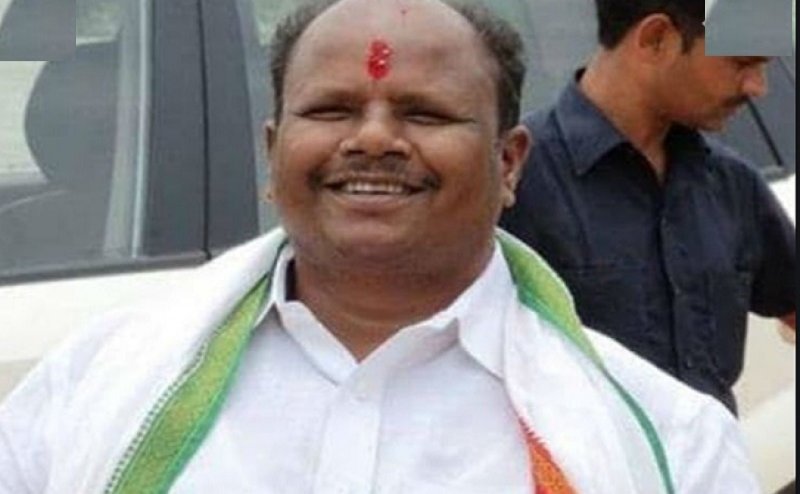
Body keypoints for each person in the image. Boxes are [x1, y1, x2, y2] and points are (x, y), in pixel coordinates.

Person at [0, 0, 759, 492]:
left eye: (424, 114)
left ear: (508, 163)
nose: (371, 139)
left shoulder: (669, 444)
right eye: (330, 110)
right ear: (272, 151)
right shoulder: (89, 389)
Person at [500, 0, 796, 414]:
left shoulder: (734, 185)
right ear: (656, 39)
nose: (758, 87)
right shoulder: (508, 185)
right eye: (742, 62)